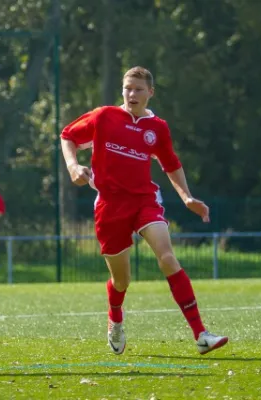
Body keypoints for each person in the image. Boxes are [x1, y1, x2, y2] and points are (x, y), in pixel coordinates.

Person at [60, 66, 228, 356]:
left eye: (138, 89)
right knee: (122, 280)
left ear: (150, 92)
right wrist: (73, 166)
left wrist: (187, 197)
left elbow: (171, 164)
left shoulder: (158, 128)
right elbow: (68, 136)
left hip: (144, 200)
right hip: (110, 205)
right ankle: (115, 317)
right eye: (127, 88)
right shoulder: (104, 116)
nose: (131, 94)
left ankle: (201, 334)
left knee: (166, 257)